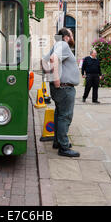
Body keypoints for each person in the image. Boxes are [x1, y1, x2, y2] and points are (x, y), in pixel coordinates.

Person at [44, 28, 80, 157]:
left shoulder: (57, 45)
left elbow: (44, 60)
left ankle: (58, 142)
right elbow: (53, 59)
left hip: (60, 88)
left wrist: (50, 79)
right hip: (65, 88)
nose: (73, 37)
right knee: (65, 117)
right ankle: (64, 147)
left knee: (59, 114)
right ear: (67, 37)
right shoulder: (63, 44)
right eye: (72, 34)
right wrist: (56, 78)